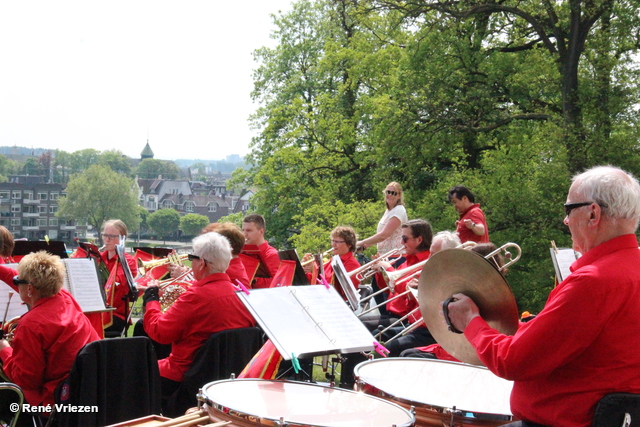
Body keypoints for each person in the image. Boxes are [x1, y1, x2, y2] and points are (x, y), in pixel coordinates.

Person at [444, 166, 640, 427]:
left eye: (568, 210)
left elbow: (512, 362)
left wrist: (470, 320)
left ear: (593, 213)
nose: (565, 221)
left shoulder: (593, 282)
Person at [142, 232, 256, 406]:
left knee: (132, 373)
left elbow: (158, 332)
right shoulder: (242, 295)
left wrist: (151, 299)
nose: (190, 263)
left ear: (201, 263)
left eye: (191, 258)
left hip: (186, 376)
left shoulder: (196, 296)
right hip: (227, 377)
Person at [0, 251, 100, 409]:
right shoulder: (65, 297)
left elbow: (26, 380)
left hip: (54, 401)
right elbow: (30, 282)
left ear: (30, 289)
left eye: (18, 281)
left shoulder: (31, 324)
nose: (16, 283)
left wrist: (5, 349)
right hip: (87, 391)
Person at [168, 222, 251, 288]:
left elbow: (204, 290)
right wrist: (186, 271)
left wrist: (183, 278)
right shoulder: (233, 265)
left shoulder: (227, 269)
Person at [100, 219, 139, 335]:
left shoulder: (128, 262)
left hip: (116, 315)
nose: (107, 240)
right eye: (105, 235)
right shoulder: (98, 258)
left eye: (112, 236)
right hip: (97, 311)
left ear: (122, 239)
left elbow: (116, 283)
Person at [302, 226, 361, 290]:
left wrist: (315, 270)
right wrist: (304, 270)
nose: (333, 244)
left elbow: (339, 288)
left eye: (337, 242)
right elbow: (312, 282)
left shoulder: (352, 264)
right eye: (333, 241)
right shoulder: (330, 261)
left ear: (349, 245)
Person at [357, 182, 408, 254]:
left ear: (399, 196)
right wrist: (363, 246)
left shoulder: (398, 210)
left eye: (393, 193)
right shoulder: (388, 211)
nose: (390, 195)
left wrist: (361, 242)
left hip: (396, 255)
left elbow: (383, 235)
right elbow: (380, 239)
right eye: (388, 192)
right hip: (385, 255)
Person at [242, 214, 281, 288]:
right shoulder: (242, 252)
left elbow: (278, 283)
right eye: (243, 230)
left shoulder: (272, 255)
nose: (244, 234)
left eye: (249, 230)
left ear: (261, 231)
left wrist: (252, 280)